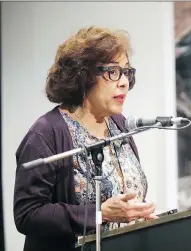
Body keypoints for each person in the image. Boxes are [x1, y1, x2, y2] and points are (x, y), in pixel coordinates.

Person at [13, 26, 157, 251]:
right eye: (113, 72)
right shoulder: (46, 133)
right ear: (84, 77)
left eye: (127, 72)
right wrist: (99, 214)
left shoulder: (119, 125)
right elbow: (28, 214)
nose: (124, 82)